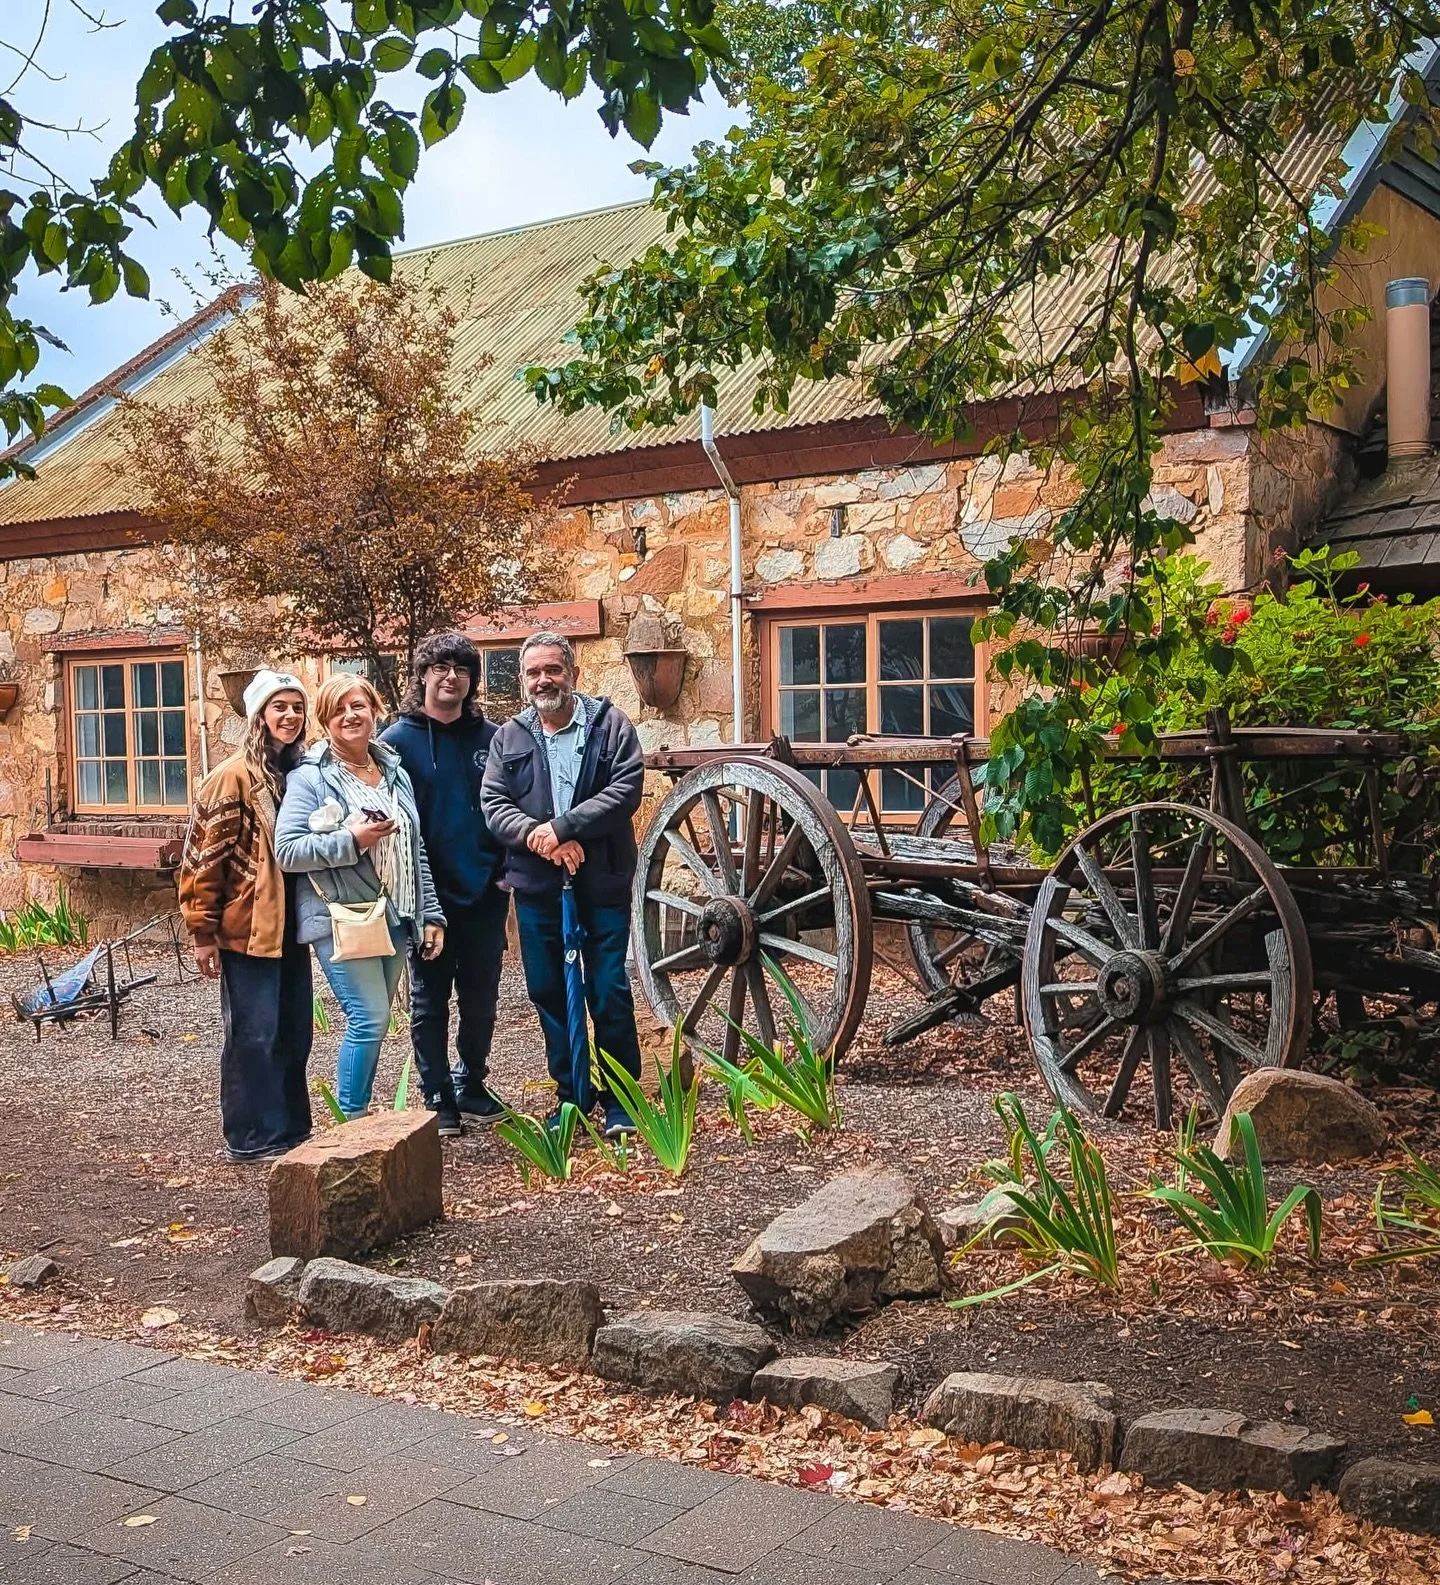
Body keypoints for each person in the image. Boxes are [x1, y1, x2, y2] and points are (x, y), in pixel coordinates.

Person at [480, 630, 645, 1137]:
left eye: (553, 669)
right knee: (548, 990)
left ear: (573, 673)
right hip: (537, 888)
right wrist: (540, 837)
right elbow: (493, 804)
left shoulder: (611, 725)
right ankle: (572, 1094)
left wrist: (565, 827)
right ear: (523, 679)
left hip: (602, 882)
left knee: (608, 987)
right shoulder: (509, 736)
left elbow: (627, 788)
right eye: (533, 672)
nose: (543, 679)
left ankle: (622, 1100)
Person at [275, 673, 446, 1118]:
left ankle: (358, 1117)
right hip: (342, 916)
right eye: (338, 709)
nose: (350, 715)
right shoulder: (310, 778)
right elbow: (288, 851)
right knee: (369, 1019)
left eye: (358, 705)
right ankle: (350, 1122)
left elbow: (415, 846)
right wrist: (353, 840)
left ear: (375, 710)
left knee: (376, 1020)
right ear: (325, 721)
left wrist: (431, 914)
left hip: (395, 912)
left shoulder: (393, 770)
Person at [178, 669, 314, 1163]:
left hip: (291, 930)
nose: (290, 716)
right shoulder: (231, 777)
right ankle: (250, 1135)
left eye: (297, 707)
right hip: (246, 930)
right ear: (259, 714)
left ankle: (291, 1129)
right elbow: (202, 860)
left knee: (295, 1031)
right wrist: (202, 932)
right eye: (279, 707)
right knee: (253, 1035)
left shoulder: (297, 773)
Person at [380, 633, 508, 1136]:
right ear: (423, 675)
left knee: (481, 997)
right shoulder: (395, 743)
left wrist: (504, 870)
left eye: (461, 668)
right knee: (430, 997)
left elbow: (511, 804)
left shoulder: (492, 739)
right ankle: (437, 1096)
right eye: (440, 667)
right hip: (427, 895)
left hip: (485, 889)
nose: (451, 676)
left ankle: (472, 1082)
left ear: (472, 679)